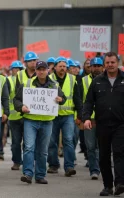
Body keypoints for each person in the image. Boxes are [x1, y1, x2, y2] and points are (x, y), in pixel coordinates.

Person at [14, 61, 66, 184]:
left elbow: (63, 99)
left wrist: (61, 99)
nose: (41, 71)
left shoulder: (54, 85)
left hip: (47, 122)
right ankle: (27, 174)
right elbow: (16, 100)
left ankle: (40, 175)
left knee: (43, 150)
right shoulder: (27, 84)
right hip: (30, 120)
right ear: (36, 71)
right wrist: (21, 107)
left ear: (48, 70)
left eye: (44, 69)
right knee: (29, 147)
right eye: (39, 69)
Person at [83, 52, 124, 196]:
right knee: (104, 156)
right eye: (107, 63)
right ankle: (108, 186)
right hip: (102, 124)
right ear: (104, 64)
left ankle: (120, 183)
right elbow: (88, 102)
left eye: (112, 62)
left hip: (121, 124)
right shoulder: (97, 81)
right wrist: (87, 118)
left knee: (119, 153)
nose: (110, 65)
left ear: (117, 62)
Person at [47, 57, 82, 177]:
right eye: (60, 66)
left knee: (68, 140)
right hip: (53, 116)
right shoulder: (49, 78)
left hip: (68, 116)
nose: (62, 68)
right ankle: (53, 165)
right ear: (55, 67)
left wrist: (79, 115)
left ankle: (69, 166)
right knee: (52, 141)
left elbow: (77, 99)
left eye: (64, 66)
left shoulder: (72, 79)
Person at [82, 57, 103, 181]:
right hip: (90, 119)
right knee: (90, 146)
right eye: (93, 66)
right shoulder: (83, 81)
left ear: (102, 67)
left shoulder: (108, 80)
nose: (95, 68)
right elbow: (82, 101)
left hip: (104, 119)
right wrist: (83, 118)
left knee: (103, 146)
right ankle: (94, 170)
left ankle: (102, 167)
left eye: (98, 66)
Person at [8, 61, 24, 170]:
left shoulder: (27, 79)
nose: (17, 70)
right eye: (15, 68)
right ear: (11, 70)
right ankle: (16, 162)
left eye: (19, 68)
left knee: (28, 142)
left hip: (26, 115)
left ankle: (27, 162)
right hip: (13, 117)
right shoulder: (8, 80)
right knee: (15, 142)